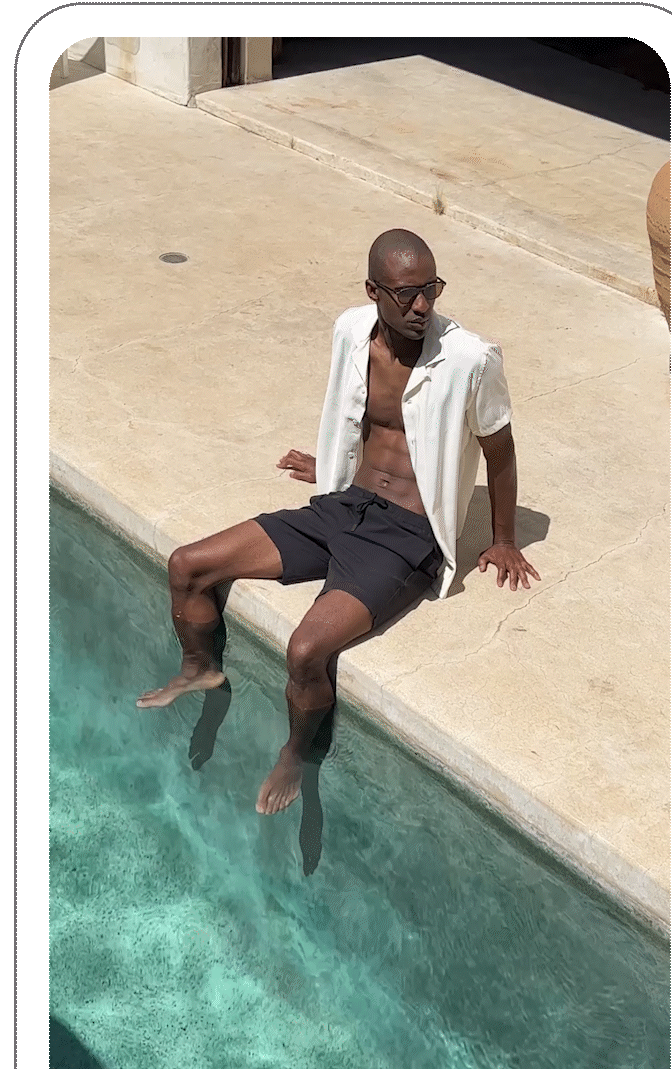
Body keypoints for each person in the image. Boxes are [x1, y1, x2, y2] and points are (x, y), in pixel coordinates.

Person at [137, 229, 540, 814]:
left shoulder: (470, 359)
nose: (422, 306)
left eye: (431, 289)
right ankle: (200, 668)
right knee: (188, 566)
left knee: (305, 649)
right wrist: (325, 461)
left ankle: (297, 755)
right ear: (374, 291)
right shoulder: (353, 330)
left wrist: (502, 539)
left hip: (405, 536)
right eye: (406, 294)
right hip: (341, 506)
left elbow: (499, 451)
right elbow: (354, 417)